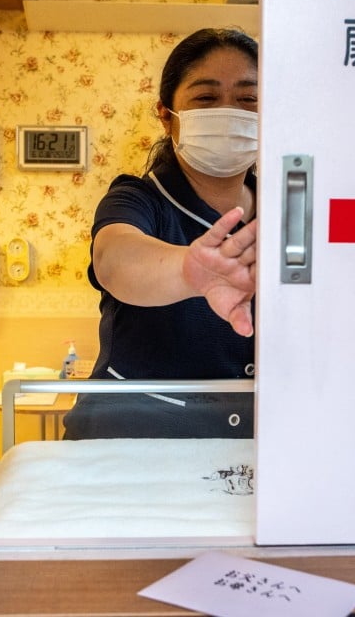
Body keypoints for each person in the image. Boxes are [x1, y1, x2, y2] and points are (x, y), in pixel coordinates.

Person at [62, 28, 259, 440]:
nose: (229, 111)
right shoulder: (138, 198)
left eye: (248, 99)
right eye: (206, 98)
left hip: (244, 454)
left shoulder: (287, 208)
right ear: (167, 116)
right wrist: (190, 271)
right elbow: (115, 260)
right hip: (127, 447)